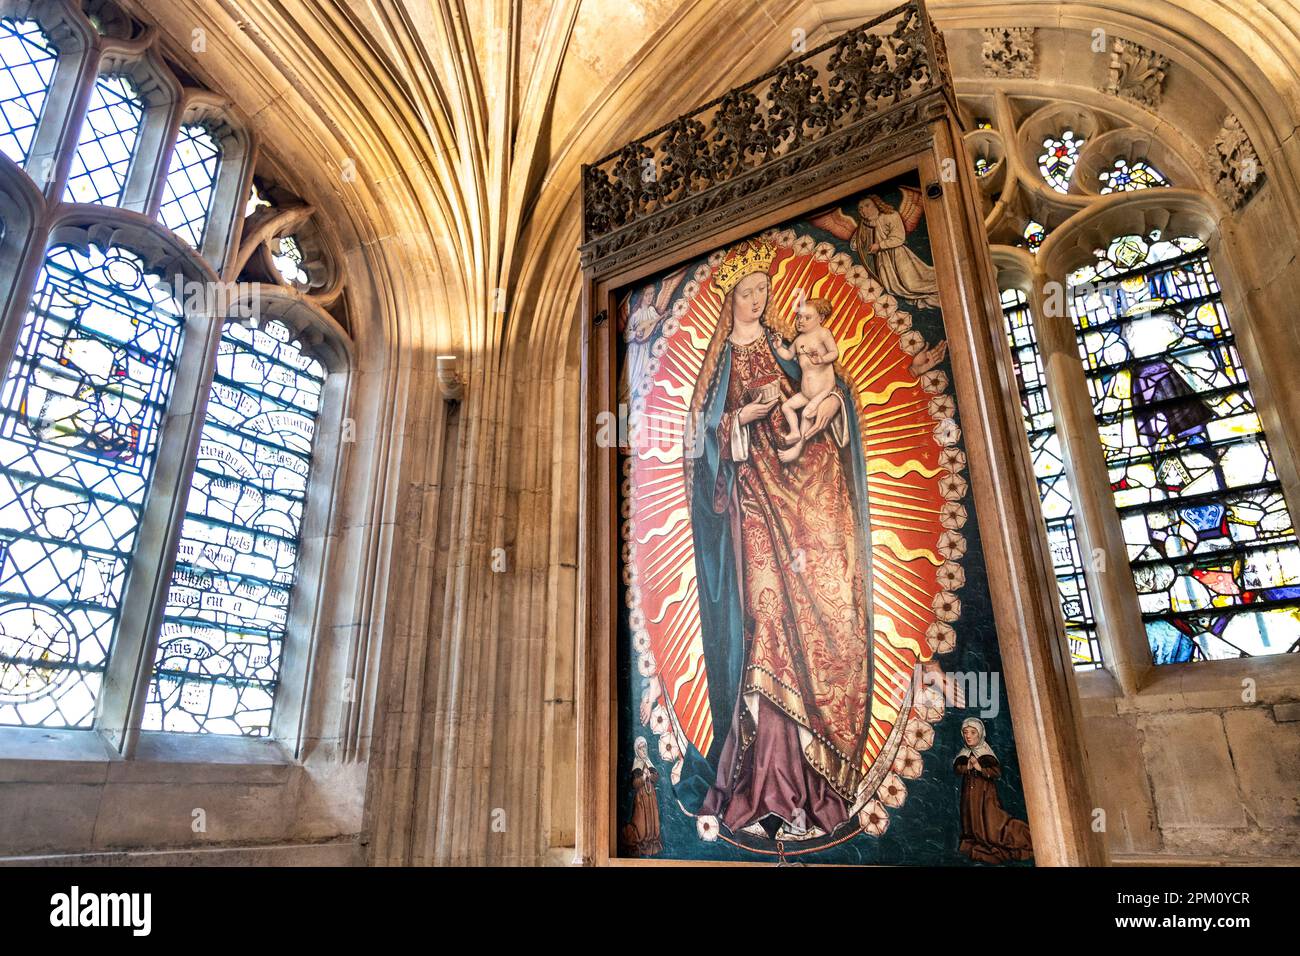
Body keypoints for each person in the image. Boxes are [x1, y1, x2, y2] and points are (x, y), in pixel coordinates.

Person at [676, 239, 876, 839]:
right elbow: (703, 440)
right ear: (731, 300)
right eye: (748, 292)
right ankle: (763, 780)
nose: (759, 299)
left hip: (801, 499)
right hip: (750, 502)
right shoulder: (720, 368)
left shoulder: (788, 353)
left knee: (812, 615)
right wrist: (746, 416)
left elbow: (826, 395)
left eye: (764, 290)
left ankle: (812, 784)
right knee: (766, 620)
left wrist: (825, 405)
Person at [953, 717, 1034, 863]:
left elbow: (996, 772)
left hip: (985, 795)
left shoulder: (985, 752)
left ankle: (1023, 835)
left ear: (980, 734)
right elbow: (958, 768)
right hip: (969, 794)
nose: (968, 736)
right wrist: (968, 767)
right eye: (965, 732)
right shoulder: (964, 752)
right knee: (971, 818)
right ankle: (978, 840)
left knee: (992, 823)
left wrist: (979, 768)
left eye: (972, 732)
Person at [774, 297, 840, 464]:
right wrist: (778, 347)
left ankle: (798, 447)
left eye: (807, 317)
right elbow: (788, 356)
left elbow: (834, 353)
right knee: (786, 406)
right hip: (806, 392)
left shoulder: (823, 333)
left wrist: (822, 359)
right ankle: (795, 432)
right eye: (799, 317)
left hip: (823, 390)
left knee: (806, 413)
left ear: (821, 319)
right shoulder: (799, 340)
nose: (801, 321)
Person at [853, 195, 941, 309]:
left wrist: (880, 245)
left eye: (866, 205)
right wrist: (859, 239)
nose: (863, 210)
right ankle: (920, 298)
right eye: (860, 209)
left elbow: (899, 237)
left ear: (877, 204)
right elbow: (857, 245)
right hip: (883, 261)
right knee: (893, 287)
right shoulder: (864, 225)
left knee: (912, 283)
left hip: (898, 256)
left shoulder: (890, 216)